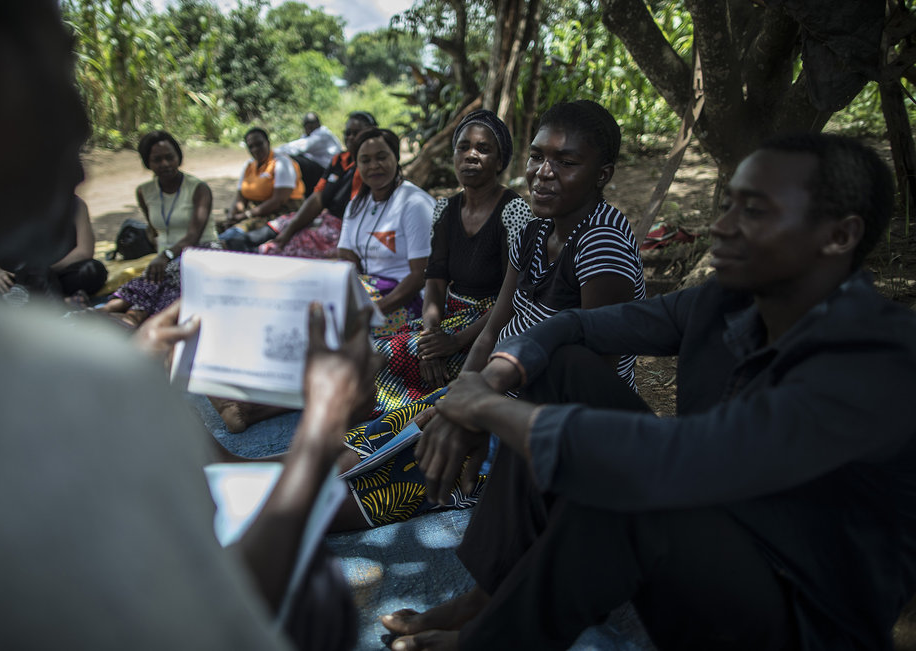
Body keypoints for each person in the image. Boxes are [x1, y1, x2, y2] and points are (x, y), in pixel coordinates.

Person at [0, 0, 379, 648]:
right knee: (319, 597)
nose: (78, 124)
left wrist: (130, 366)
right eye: (54, 75)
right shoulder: (41, 377)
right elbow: (212, 624)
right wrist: (324, 423)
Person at [383, 133, 916, 651]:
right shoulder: (725, 302)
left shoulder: (876, 359)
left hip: (802, 611)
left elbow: (679, 460)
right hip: (712, 528)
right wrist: (486, 383)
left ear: (839, 236)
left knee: (636, 490)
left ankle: (489, 638)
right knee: (561, 367)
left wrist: (484, 409)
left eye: (754, 211)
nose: (721, 227)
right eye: (727, 204)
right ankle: (488, 594)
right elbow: (572, 329)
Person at [339, 101, 645, 529]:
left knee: (376, 485)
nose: (543, 171)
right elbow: (495, 326)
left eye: (567, 161)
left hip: (541, 416)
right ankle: (243, 472)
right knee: (377, 438)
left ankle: (274, 512)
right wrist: (463, 395)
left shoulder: (601, 245)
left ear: (603, 174)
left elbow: (590, 381)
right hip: (496, 389)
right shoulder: (537, 228)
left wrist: (482, 413)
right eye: (537, 156)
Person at [364, 110, 532, 417]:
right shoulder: (445, 209)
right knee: (367, 351)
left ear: (500, 161)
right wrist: (431, 337)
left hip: (490, 325)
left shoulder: (514, 211)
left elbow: (515, 297)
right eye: (463, 147)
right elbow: (435, 280)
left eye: (483, 149)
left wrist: (454, 342)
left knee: (381, 358)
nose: (471, 155)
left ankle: (403, 421)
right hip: (448, 318)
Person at [96, 130, 216, 326]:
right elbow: (154, 230)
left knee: (169, 277)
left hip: (200, 252)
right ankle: (110, 314)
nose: (165, 164)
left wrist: (165, 256)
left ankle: (126, 318)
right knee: (154, 279)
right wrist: (160, 255)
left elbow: (193, 236)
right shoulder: (145, 192)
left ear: (179, 157)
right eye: (157, 160)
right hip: (166, 260)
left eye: (170, 157)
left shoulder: (199, 189)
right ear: (147, 163)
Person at [338, 127, 435, 337]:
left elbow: (421, 275)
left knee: (344, 328)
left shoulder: (414, 203)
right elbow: (346, 254)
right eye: (365, 160)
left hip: (409, 298)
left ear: (396, 158)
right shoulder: (357, 205)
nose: (374, 166)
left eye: (381, 157)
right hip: (371, 290)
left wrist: (373, 310)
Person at [243, 111, 378, 259]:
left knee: (277, 248)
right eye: (348, 133)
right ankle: (236, 243)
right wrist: (292, 228)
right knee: (270, 231)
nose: (351, 137)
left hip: (345, 229)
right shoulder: (339, 160)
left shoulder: (372, 169)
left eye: (356, 133)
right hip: (326, 218)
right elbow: (317, 198)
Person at [0, 195, 108, 303]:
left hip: (60, 271)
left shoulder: (75, 204)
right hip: (18, 275)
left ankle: (32, 296)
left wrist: (45, 270)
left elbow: (84, 252)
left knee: (93, 271)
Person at [219, 127, 306, 251]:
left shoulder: (282, 163)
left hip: (280, 213)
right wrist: (232, 215)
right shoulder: (249, 166)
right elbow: (240, 197)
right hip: (255, 213)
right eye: (251, 146)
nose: (256, 150)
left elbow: (278, 201)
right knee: (220, 228)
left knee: (234, 235)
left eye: (259, 144)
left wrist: (246, 215)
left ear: (268, 142)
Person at [276, 112, 343, 192]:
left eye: (311, 124)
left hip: (328, 172)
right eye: (306, 124)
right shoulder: (308, 135)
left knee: (292, 160)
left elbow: (300, 147)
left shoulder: (322, 134)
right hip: (320, 169)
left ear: (318, 124)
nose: (309, 127)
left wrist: (273, 152)